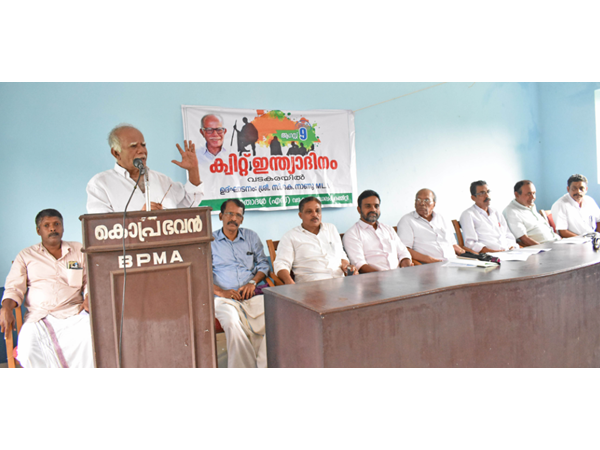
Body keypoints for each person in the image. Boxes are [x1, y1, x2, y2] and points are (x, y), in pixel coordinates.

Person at [0, 209, 93, 368]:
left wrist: (89, 297)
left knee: (92, 339)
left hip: (74, 314)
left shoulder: (79, 250)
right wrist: (6, 308)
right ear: (38, 230)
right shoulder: (26, 256)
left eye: (57, 224)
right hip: (39, 317)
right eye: (46, 225)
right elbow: (13, 287)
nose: (52, 228)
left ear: (63, 227)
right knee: (28, 351)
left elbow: (90, 279)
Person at [86, 124, 204, 213]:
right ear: (116, 153)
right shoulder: (100, 184)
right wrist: (139, 218)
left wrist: (193, 170)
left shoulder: (162, 180)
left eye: (143, 145)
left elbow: (189, 203)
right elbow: (101, 227)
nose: (142, 150)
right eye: (133, 146)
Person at [211, 199, 270, 368]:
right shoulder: (210, 241)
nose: (233, 218)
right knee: (231, 322)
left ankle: (265, 365)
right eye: (229, 214)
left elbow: (263, 265)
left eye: (238, 215)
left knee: (275, 318)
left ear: (242, 219)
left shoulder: (251, 236)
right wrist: (221, 292)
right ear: (221, 216)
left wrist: (253, 282)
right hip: (224, 298)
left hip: (251, 294)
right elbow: (201, 274)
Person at [274, 196, 358, 284]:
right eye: (309, 211)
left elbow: (341, 256)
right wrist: (290, 283)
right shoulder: (290, 236)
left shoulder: (331, 229)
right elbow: (281, 264)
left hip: (340, 283)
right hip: (312, 286)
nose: (314, 214)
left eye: (317, 211)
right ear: (300, 215)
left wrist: (347, 266)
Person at [343, 189, 413, 272]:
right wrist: (383, 277)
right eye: (368, 206)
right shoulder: (352, 234)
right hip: (374, 278)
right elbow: (360, 265)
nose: (373, 209)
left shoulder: (388, 229)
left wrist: (406, 268)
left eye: (376, 206)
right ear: (359, 209)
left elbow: (403, 253)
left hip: (400, 275)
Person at [397, 188, 466, 263]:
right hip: (429, 265)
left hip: (453, 261)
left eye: (426, 200)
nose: (422, 203)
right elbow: (404, 250)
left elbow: (452, 244)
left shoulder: (443, 218)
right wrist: (430, 260)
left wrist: (465, 254)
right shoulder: (407, 220)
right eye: (418, 200)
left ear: (434, 204)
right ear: (415, 203)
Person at [459, 180, 518, 253]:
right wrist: (491, 251)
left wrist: (511, 246)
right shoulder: (468, 215)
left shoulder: (496, 212)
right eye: (482, 193)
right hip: (490, 256)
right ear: (473, 197)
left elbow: (508, 234)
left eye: (488, 192)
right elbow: (470, 243)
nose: (487, 196)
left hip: (509, 252)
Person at [503, 180, 560, 246]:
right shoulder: (511, 212)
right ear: (517, 194)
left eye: (534, 193)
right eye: (528, 194)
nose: (533, 197)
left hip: (556, 242)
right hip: (543, 247)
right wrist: (542, 248)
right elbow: (524, 239)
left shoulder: (531, 206)